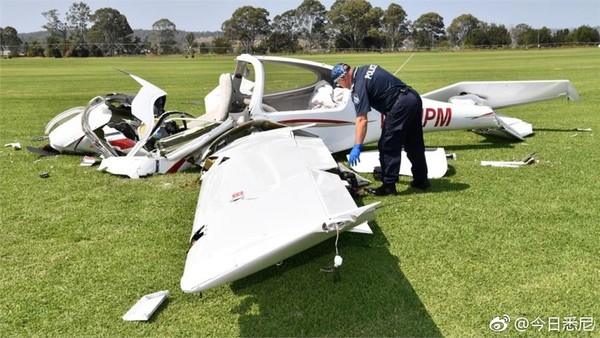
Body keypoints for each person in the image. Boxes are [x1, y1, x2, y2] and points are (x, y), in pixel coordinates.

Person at [331, 62, 430, 196]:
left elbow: (361, 120)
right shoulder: (365, 68)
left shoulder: (358, 86)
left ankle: (388, 186)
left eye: (338, 83)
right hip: (412, 97)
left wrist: (357, 146)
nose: (340, 86)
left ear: (343, 78)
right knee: (414, 143)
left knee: (387, 145)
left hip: (399, 105)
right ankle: (421, 180)